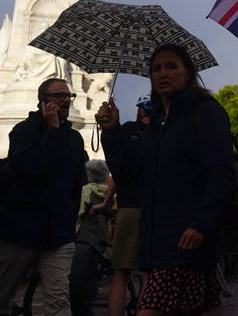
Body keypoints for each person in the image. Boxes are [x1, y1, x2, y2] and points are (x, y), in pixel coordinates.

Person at [98, 44, 235, 316]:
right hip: (156, 243)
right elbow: (130, 177)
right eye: (157, 68)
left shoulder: (206, 112)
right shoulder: (157, 124)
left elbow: (221, 173)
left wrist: (201, 225)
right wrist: (112, 131)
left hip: (187, 241)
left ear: (188, 73)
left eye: (172, 66)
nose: (163, 73)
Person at [0, 77, 87, 316]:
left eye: (68, 96)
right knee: (3, 295)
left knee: (59, 298)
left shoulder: (74, 138)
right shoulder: (23, 131)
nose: (65, 101)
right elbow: (30, 166)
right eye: (59, 95)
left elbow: (76, 183)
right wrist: (52, 130)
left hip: (58, 233)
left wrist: (69, 220)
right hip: (21, 230)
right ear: (43, 100)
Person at [104, 93, 152, 316]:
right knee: (148, 274)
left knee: (121, 273)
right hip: (155, 209)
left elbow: (116, 167)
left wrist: (111, 128)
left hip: (129, 207)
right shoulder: (163, 132)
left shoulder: (128, 131)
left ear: (140, 110)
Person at [69, 160, 111, 316]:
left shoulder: (86, 190)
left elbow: (79, 213)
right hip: (101, 237)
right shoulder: (108, 191)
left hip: (85, 238)